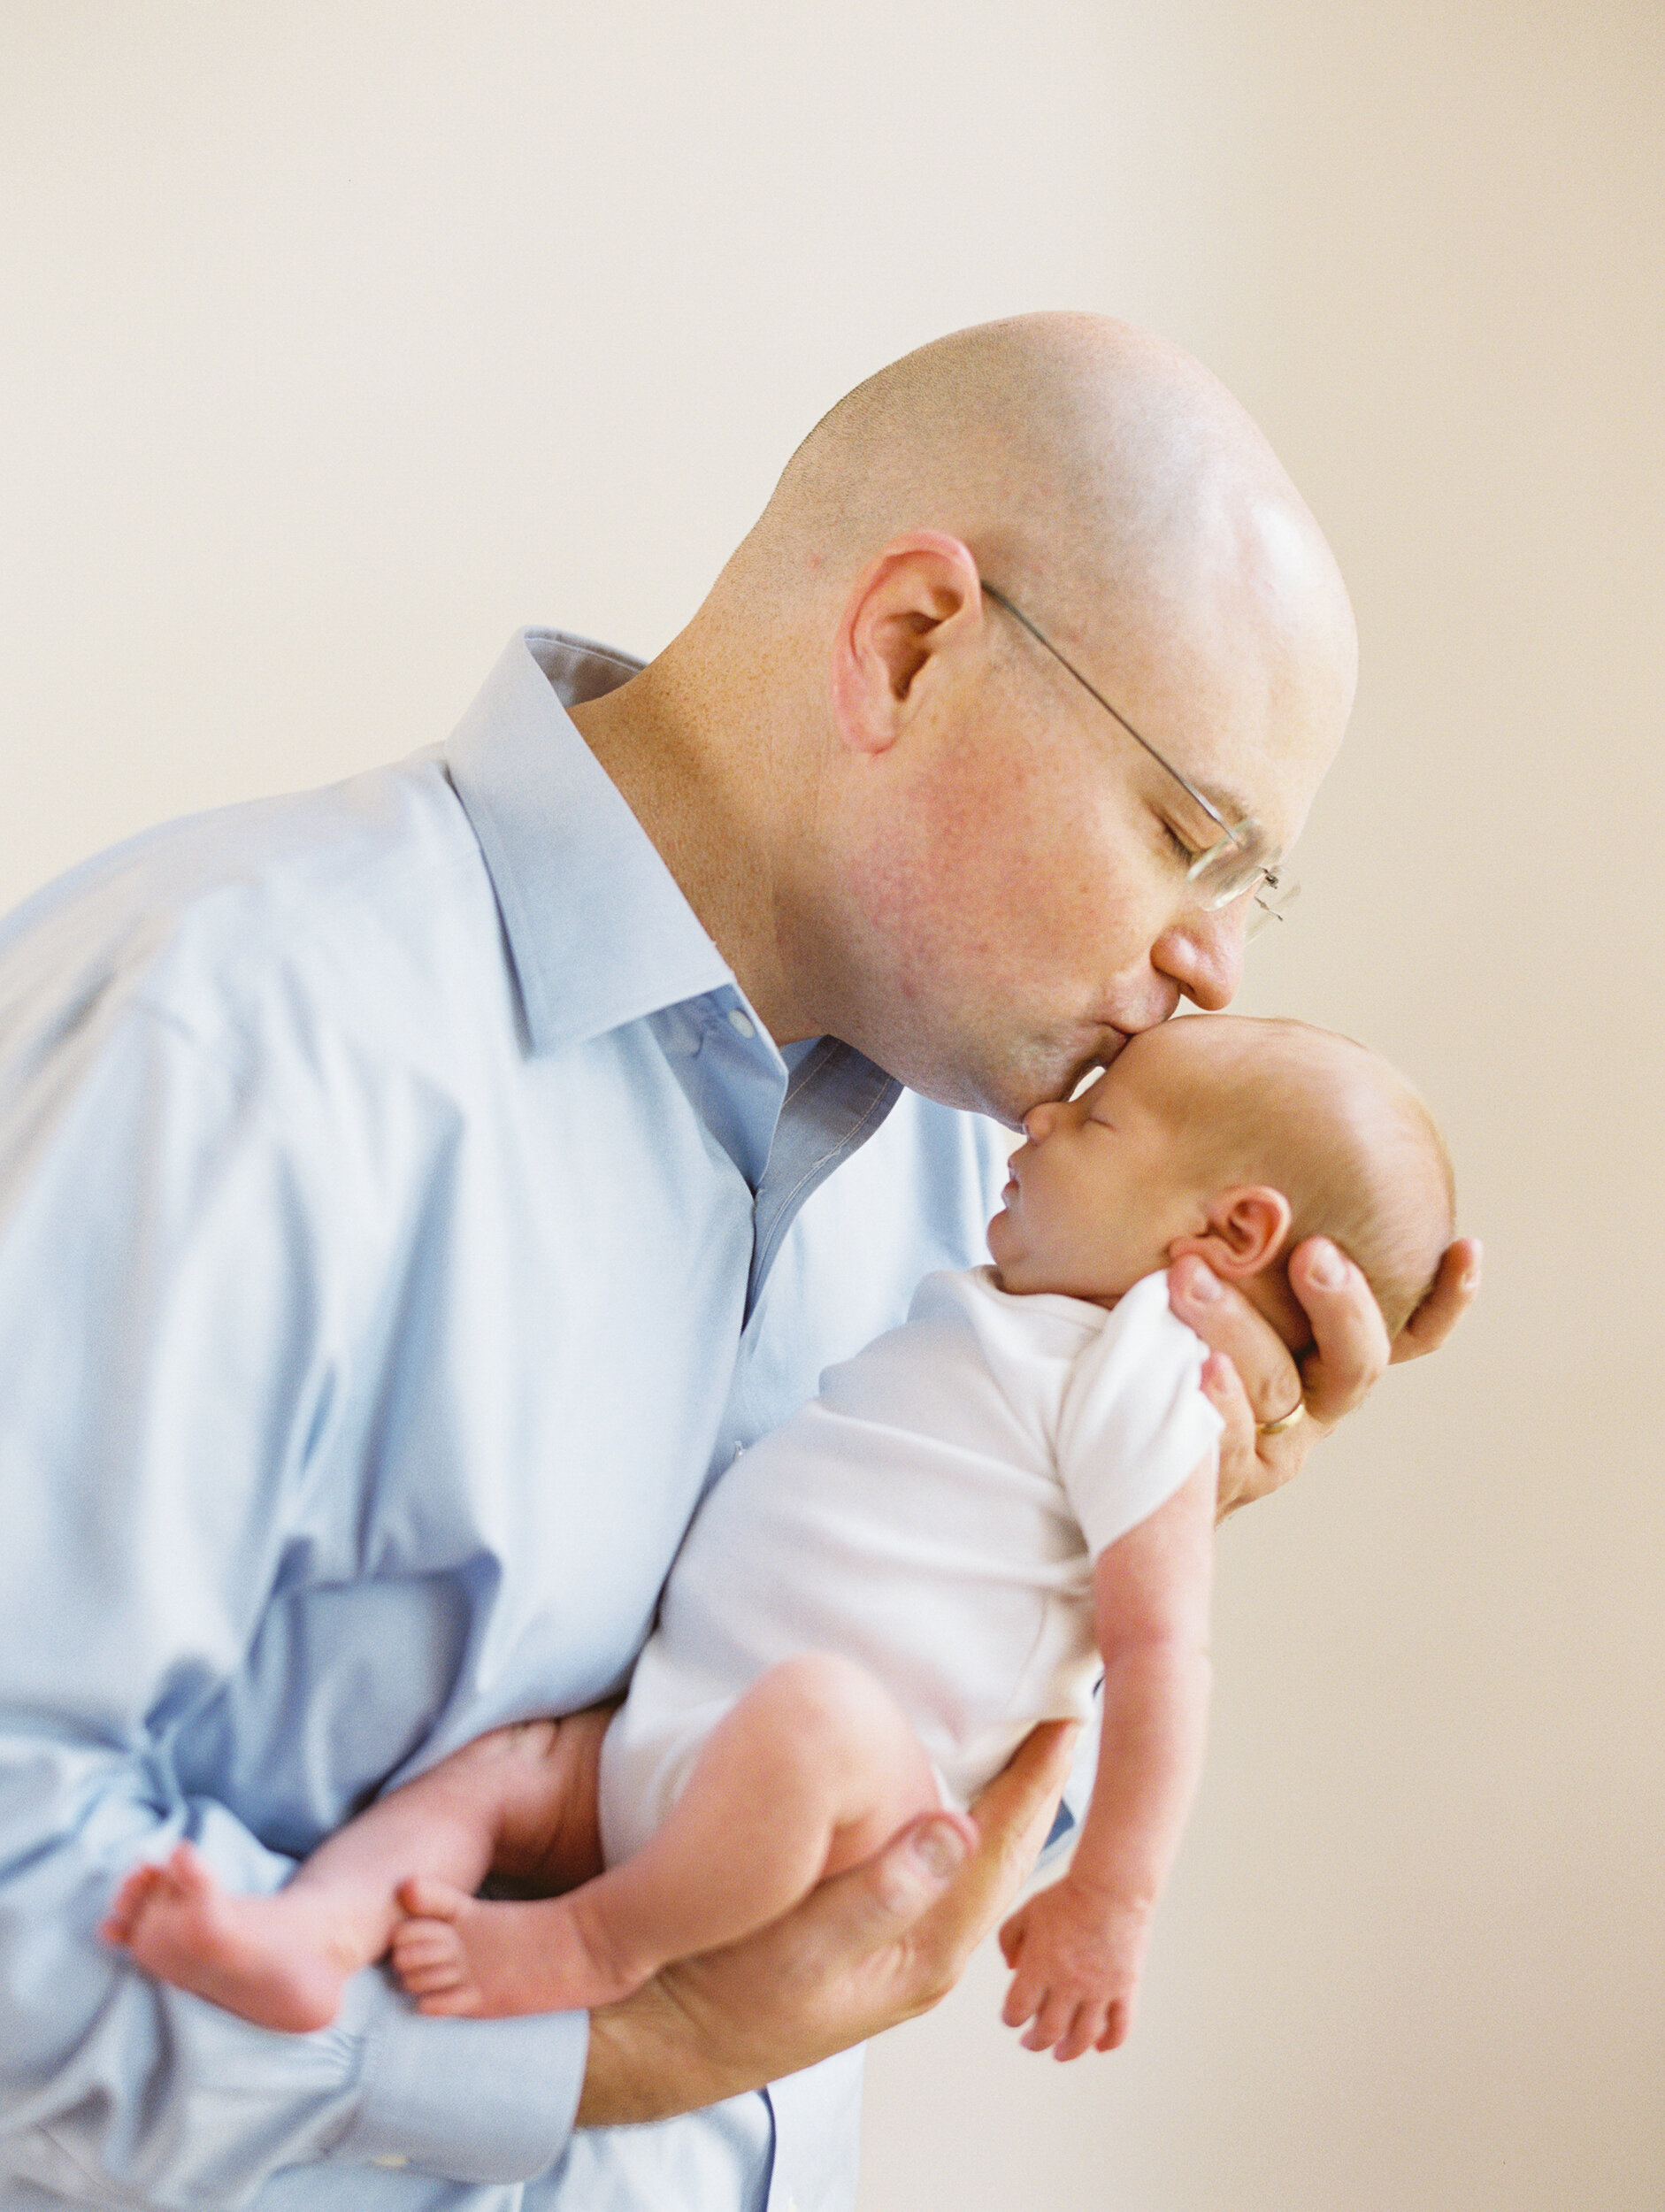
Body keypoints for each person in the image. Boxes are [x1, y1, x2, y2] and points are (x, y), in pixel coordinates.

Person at [0, 315, 1477, 2212]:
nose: (1212, 968)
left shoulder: (1020, 1193)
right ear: (909, 643)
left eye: (1248, 892)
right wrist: (617, 2054)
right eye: (1189, 838)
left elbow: (900, 1871)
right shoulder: (217, 1038)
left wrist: (1144, 1517)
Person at [102, 1013, 1455, 2068]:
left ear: (1230, 1230)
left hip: (842, 1792)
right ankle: (307, 1936)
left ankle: (590, 1942)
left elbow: (1164, 1653)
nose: (1042, 1116)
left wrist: (1111, 1889)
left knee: (809, 1716)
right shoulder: (1015, 1313)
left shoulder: (1151, 1377)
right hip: (678, 1738)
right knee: (500, 1775)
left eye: (1098, 1122)